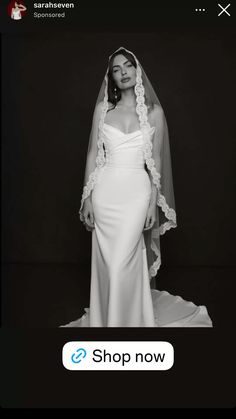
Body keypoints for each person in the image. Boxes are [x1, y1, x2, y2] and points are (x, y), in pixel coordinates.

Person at [60, 47, 213, 327]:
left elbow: (155, 159)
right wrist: (87, 198)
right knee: (110, 264)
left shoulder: (154, 113)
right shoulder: (102, 110)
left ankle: (130, 320)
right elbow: (93, 153)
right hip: (105, 191)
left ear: (137, 69)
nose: (123, 73)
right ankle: (109, 320)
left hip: (137, 193)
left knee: (124, 263)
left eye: (127, 66)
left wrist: (154, 201)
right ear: (111, 78)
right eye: (116, 70)